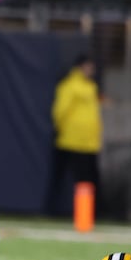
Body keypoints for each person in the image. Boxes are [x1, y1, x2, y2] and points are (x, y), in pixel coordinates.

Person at [46, 53, 102, 217]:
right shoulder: (69, 86)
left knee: (86, 180)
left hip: (88, 142)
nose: (91, 70)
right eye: (89, 66)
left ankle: (87, 214)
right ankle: (54, 210)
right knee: (66, 177)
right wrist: (61, 129)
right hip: (70, 140)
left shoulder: (91, 87)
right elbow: (60, 111)